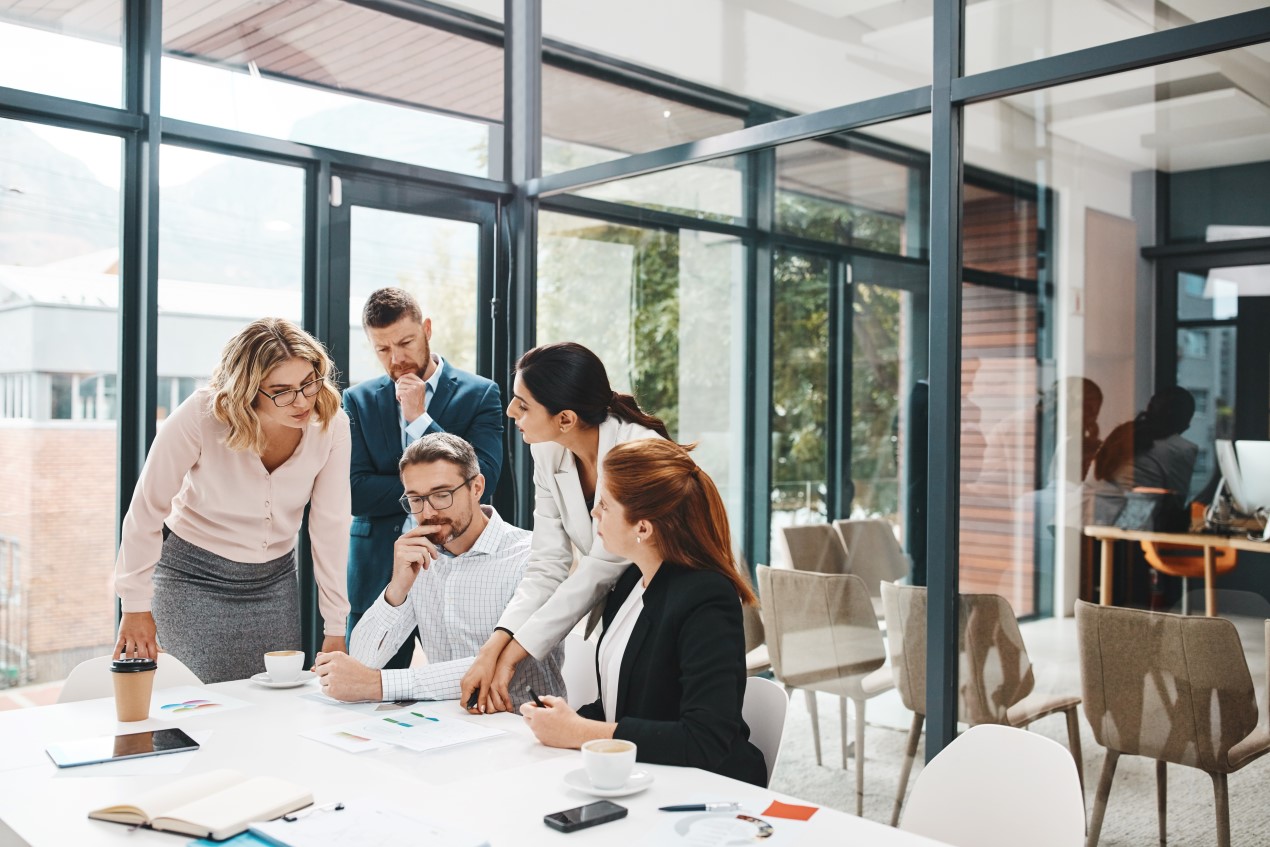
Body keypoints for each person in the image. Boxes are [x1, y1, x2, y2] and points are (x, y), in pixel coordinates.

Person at [112, 318, 351, 683]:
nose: (302, 400)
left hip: (274, 584)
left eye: (308, 383)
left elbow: (330, 525)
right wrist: (135, 605)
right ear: (248, 390)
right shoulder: (201, 415)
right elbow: (146, 510)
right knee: (201, 710)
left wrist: (336, 624)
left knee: (273, 706)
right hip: (192, 581)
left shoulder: (331, 425)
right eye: (282, 390)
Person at [519, 439, 767, 787]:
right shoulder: (632, 578)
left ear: (643, 528)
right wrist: (565, 720)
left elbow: (704, 739)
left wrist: (578, 731)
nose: (594, 513)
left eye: (604, 506)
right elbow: (626, 704)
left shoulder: (708, 598)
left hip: (702, 789)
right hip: (639, 775)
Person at [460, 342, 668, 714]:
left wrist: (511, 658)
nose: (510, 412)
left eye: (522, 405)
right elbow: (547, 564)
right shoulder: (548, 448)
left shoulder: (637, 450)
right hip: (620, 602)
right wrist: (494, 646)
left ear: (566, 419)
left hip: (668, 601)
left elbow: (599, 569)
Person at [314, 433, 562, 705]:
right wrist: (397, 588)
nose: (429, 511)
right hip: (444, 727)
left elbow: (504, 668)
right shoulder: (420, 557)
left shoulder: (533, 557)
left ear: (477, 487)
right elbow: (360, 661)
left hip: (522, 727)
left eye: (442, 495)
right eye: (416, 500)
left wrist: (379, 685)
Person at [343, 287, 504, 671]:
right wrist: (440, 490)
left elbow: (485, 477)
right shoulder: (357, 400)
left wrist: (419, 420)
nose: (397, 359)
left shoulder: (480, 394)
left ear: (427, 328)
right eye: (383, 350)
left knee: (465, 677)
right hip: (377, 564)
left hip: (458, 561)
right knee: (367, 677)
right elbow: (353, 491)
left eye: (405, 342)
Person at [1093, 385, 1198, 530]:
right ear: (1186, 423)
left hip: (1094, 521)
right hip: (1133, 530)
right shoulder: (1181, 448)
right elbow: (1176, 504)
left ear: (1149, 407)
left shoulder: (1122, 434)